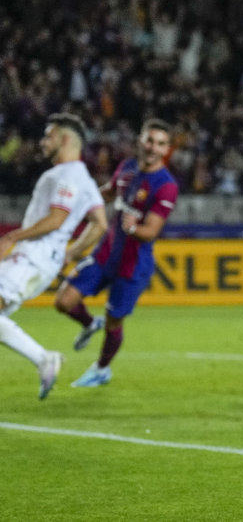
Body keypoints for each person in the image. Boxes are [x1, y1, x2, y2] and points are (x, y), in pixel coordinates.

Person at [56, 119, 179, 388]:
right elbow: (109, 193)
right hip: (105, 254)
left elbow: (151, 231)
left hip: (132, 265)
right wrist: (81, 200)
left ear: (167, 148)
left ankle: (101, 369)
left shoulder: (166, 185)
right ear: (140, 140)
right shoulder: (127, 168)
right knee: (64, 301)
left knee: (114, 322)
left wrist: (135, 228)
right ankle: (89, 324)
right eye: (149, 141)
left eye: (160, 144)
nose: (152, 148)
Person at [0, 114, 106, 398]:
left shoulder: (67, 175)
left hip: (31, 258)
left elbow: (57, 219)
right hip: (40, 259)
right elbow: (100, 223)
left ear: (66, 139)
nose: (43, 142)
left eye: (49, 136)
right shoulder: (83, 177)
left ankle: (44, 358)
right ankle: (43, 359)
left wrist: (11, 237)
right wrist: (70, 252)